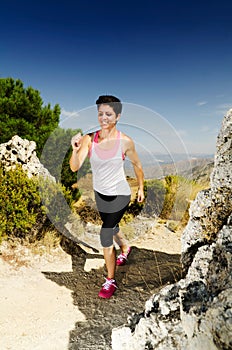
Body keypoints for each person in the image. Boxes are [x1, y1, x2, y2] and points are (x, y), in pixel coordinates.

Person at [70, 95, 145, 298]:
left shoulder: (125, 142)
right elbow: (75, 166)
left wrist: (140, 188)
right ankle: (125, 247)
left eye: (108, 114)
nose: (104, 117)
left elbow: (137, 165)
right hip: (100, 193)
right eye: (100, 113)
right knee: (111, 227)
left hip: (120, 194)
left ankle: (110, 281)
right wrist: (75, 150)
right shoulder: (89, 139)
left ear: (117, 116)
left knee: (105, 233)